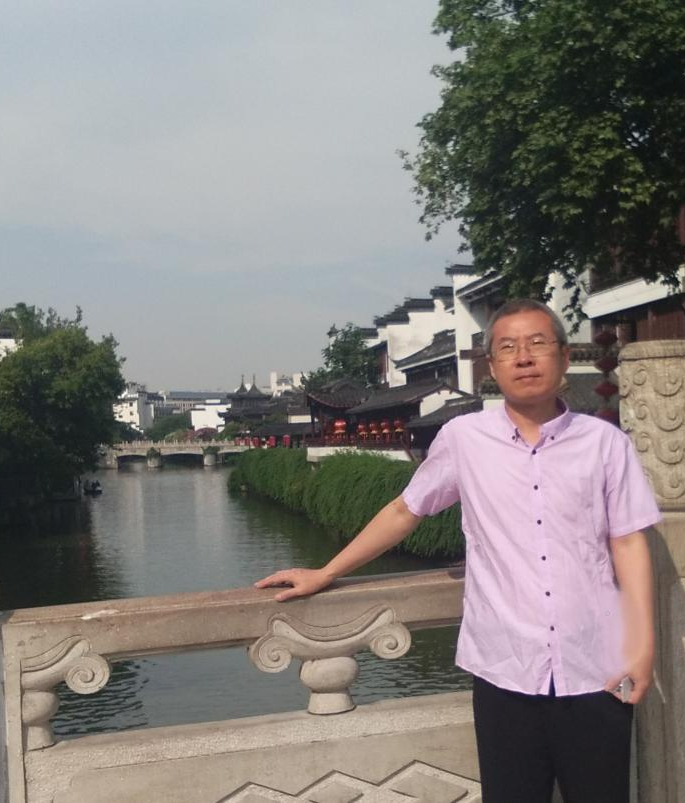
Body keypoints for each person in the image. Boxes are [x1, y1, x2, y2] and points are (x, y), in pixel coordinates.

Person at [255, 298, 660, 802]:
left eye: (537, 343)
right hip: (504, 666)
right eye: (508, 347)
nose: (524, 357)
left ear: (562, 356)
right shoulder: (464, 439)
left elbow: (629, 543)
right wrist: (326, 572)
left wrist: (641, 648)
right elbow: (405, 511)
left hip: (600, 666)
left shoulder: (605, 443)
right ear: (492, 366)